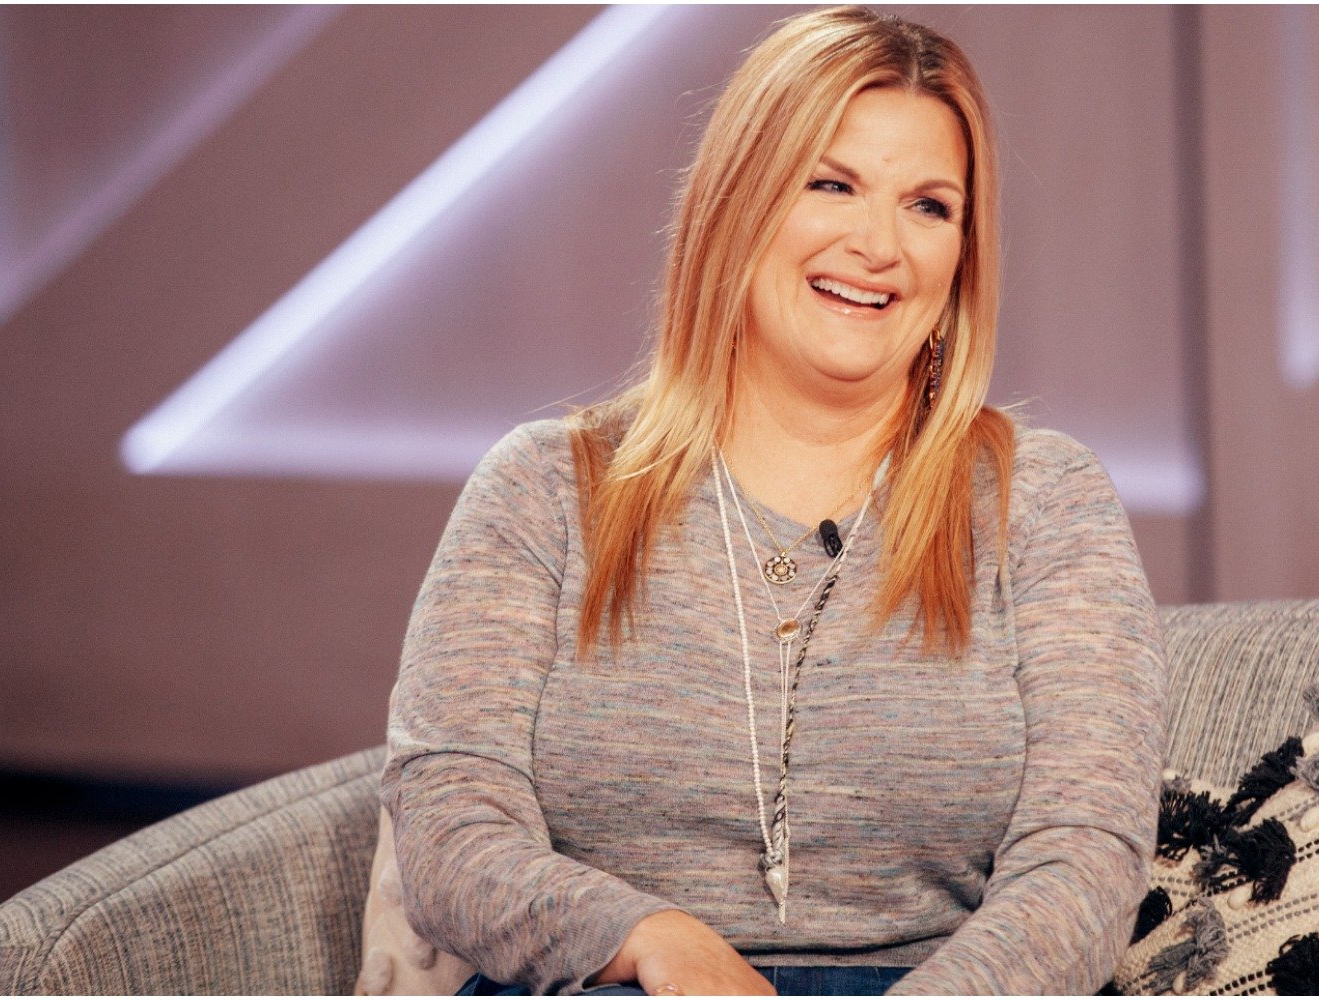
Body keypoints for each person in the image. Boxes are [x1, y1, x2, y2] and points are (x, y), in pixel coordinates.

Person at [382, 6, 1166, 995]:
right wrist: (654, 936)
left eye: (928, 206)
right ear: (737, 203)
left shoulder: (1041, 501)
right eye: (829, 184)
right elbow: (452, 822)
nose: (879, 244)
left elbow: (1083, 857)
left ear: (963, 254)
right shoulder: (545, 488)